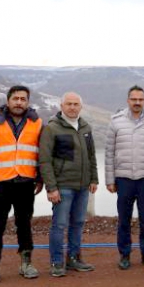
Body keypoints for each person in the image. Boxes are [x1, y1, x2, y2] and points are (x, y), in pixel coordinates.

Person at [0, 85, 43, 284]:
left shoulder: (37, 124)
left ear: (28, 102)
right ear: (8, 101)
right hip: (0, 184)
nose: (19, 102)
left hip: (25, 183)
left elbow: (42, 154)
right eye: (16, 99)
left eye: (23, 99)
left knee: (24, 224)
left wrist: (40, 178)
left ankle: (26, 263)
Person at [105, 85, 144, 270]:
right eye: (134, 99)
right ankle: (124, 255)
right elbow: (109, 152)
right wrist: (110, 179)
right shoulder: (116, 121)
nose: (137, 102)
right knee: (124, 219)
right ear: (128, 100)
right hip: (123, 178)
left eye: (140, 99)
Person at [39, 92, 98, 277]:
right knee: (59, 225)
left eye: (76, 104)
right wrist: (51, 187)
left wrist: (94, 179)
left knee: (78, 223)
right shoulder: (52, 129)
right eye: (68, 104)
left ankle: (73, 259)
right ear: (61, 106)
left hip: (82, 186)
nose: (72, 107)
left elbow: (91, 155)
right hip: (63, 186)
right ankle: (57, 262)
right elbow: (45, 160)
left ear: (81, 106)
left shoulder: (86, 127)